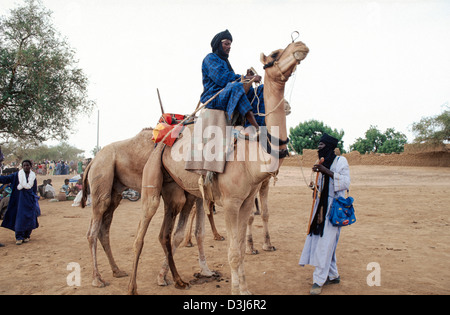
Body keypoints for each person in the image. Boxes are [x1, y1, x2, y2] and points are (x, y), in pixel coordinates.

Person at [299, 133, 350, 295]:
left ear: (328, 147)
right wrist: (315, 183)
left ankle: (318, 280)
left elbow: (345, 182)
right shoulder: (321, 162)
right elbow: (321, 188)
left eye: (321, 145)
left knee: (325, 244)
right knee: (327, 244)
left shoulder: (341, 161)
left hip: (334, 209)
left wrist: (325, 171)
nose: (318, 148)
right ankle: (333, 275)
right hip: (321, 208)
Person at [200, 29, 264, 130]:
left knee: (261, 90)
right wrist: (248, 78)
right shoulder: (210, 58)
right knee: (236, 87)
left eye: (230, 45)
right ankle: (254, 126)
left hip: (227, 93)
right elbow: (222, 79)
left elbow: (232, 79)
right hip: (214, 97)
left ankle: (257, 124)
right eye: (226, 44)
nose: (229, 47)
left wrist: (247, 80)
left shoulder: (225, 62)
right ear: (218, 44)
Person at [0, 160, 41, 245]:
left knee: (30, 218)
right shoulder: (16, 175)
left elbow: (34, 189)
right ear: (22, 167)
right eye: (24, 165)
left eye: (28, 165)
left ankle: (27, 236)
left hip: (29, 201)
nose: (26, 167)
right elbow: (6, 179)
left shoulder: (33, 177)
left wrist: (34, 198)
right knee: (19, 219)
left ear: (31, 166)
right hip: (19, 201)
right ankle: (19, 237)